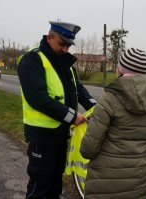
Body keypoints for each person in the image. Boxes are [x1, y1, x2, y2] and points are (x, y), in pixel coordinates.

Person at [17, 20, 96, 199]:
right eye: (62, 44)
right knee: (40, 186)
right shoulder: (32, 59)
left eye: (69, 45)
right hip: (42, 136)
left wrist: (97, 107)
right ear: (49, 37)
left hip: (60, 135)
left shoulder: (65, 62)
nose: (66, 49)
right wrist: (72, 116)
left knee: (55, 184)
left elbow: (78, 89)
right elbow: (38, 98)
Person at [80, 48, 146, 199]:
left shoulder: (109, 99)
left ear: (120, 69)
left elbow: (88, 150)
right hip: (142, 181)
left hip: (107, 183)